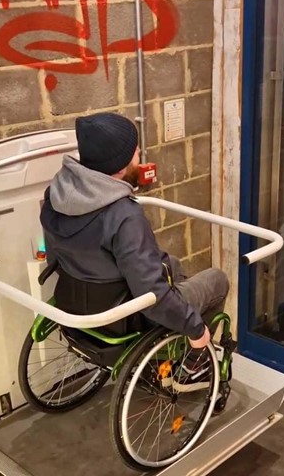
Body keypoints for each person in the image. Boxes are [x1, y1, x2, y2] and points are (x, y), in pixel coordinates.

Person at [40, 112, 229, 386]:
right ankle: (192, 364)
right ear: (119, 165)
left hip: (75, 300)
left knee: (172, 263)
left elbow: (58, 255)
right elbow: (151, 293)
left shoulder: (56, 195)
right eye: (135, 152)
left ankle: (177, 321)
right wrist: (194, 327)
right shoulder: (124, 216)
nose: (139, 154)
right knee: (216, 280)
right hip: (123, 315)